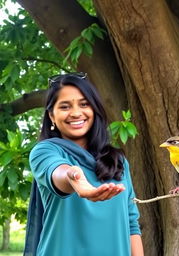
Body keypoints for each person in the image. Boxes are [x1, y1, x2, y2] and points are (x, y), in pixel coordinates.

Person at [23, 72, 144, 256]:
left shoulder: (117, 161)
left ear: (94, 109)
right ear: (52, 116)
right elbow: (57, 172)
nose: (76, 113)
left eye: (84, 104)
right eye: (64, 106)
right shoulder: (45, 152)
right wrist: (74, 178)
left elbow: (131, 224)